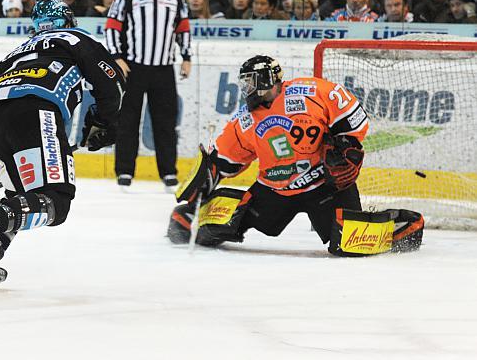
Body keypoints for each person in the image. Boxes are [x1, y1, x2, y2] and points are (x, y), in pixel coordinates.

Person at [168, 56, 423, 255]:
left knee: (348, 243)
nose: (246, 89)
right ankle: (193, 215)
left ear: (268, 80)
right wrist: (202, 184)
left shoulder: (312, 92)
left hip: (324, 186)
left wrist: (345, 148)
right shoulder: (245, 120)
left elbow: (353, 120)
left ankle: (402, 224)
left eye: (250, 82)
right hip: (274, 191)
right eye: (244, 83)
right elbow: (222, 161)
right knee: (214, 230)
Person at [0, 0, 125, 290]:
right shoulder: (77, 38)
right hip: (37, 110)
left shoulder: (16, 51)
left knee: (21, 197)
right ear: (68, 19)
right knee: (56, 202)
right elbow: (113, 84)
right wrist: (104, 122)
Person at [105, 0, 191, 190]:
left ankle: (168, 173)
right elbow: (112, 26)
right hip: (133, 68)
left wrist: (186, 57)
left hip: (163, 69)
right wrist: (117, 57)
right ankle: (124, 171)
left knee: (165, 122)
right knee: (127, 121)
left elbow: (183, 28)